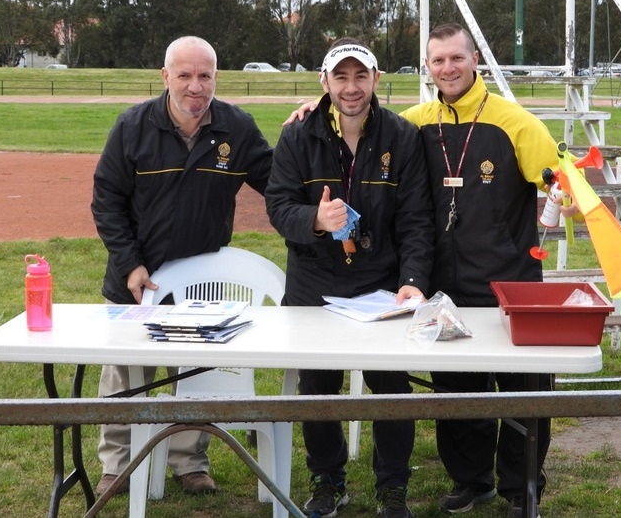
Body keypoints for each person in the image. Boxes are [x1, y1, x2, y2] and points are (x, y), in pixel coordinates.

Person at [90, 35, 273, 496]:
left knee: (195, 372)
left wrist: (306, 126)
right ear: (165, 76)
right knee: (125, 374)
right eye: (185, 75)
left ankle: (188, 460)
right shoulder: (133, 126)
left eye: (205, 75)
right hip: (138, 278)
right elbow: (106, 200)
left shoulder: (238, 128)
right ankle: (117, 463)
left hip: (201, 278)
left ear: (216, 77)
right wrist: (129, 262)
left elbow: (279, 180)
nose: (196, 86)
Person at [265, 38, 434, 518]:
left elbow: (417, 219)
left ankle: (393, 486)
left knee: (392, 387)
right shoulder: (298, 135)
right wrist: (316, 222)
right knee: (317, 388)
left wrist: (414, 280)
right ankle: (327, 479)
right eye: (341, 77)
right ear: (325, 82)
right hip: (312, 283)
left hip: (380, 284)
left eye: (361, 76)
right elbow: (278, 204)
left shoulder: (401, 136)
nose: (351, 87)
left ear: (376, 80)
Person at [399, 23, 560, 518]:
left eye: (456, 58)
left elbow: (558, 174)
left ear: (475, 62)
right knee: (456, 392)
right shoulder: (413, 123)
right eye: (437, 61)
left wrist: (566, 194)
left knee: (523, 390)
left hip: (508, 280)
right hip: (443, 287)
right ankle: (470, 480)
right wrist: (311, 111)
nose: (447, 68)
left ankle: (521, 486)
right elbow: (354, 127)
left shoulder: (516, 122)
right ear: (427, 68)